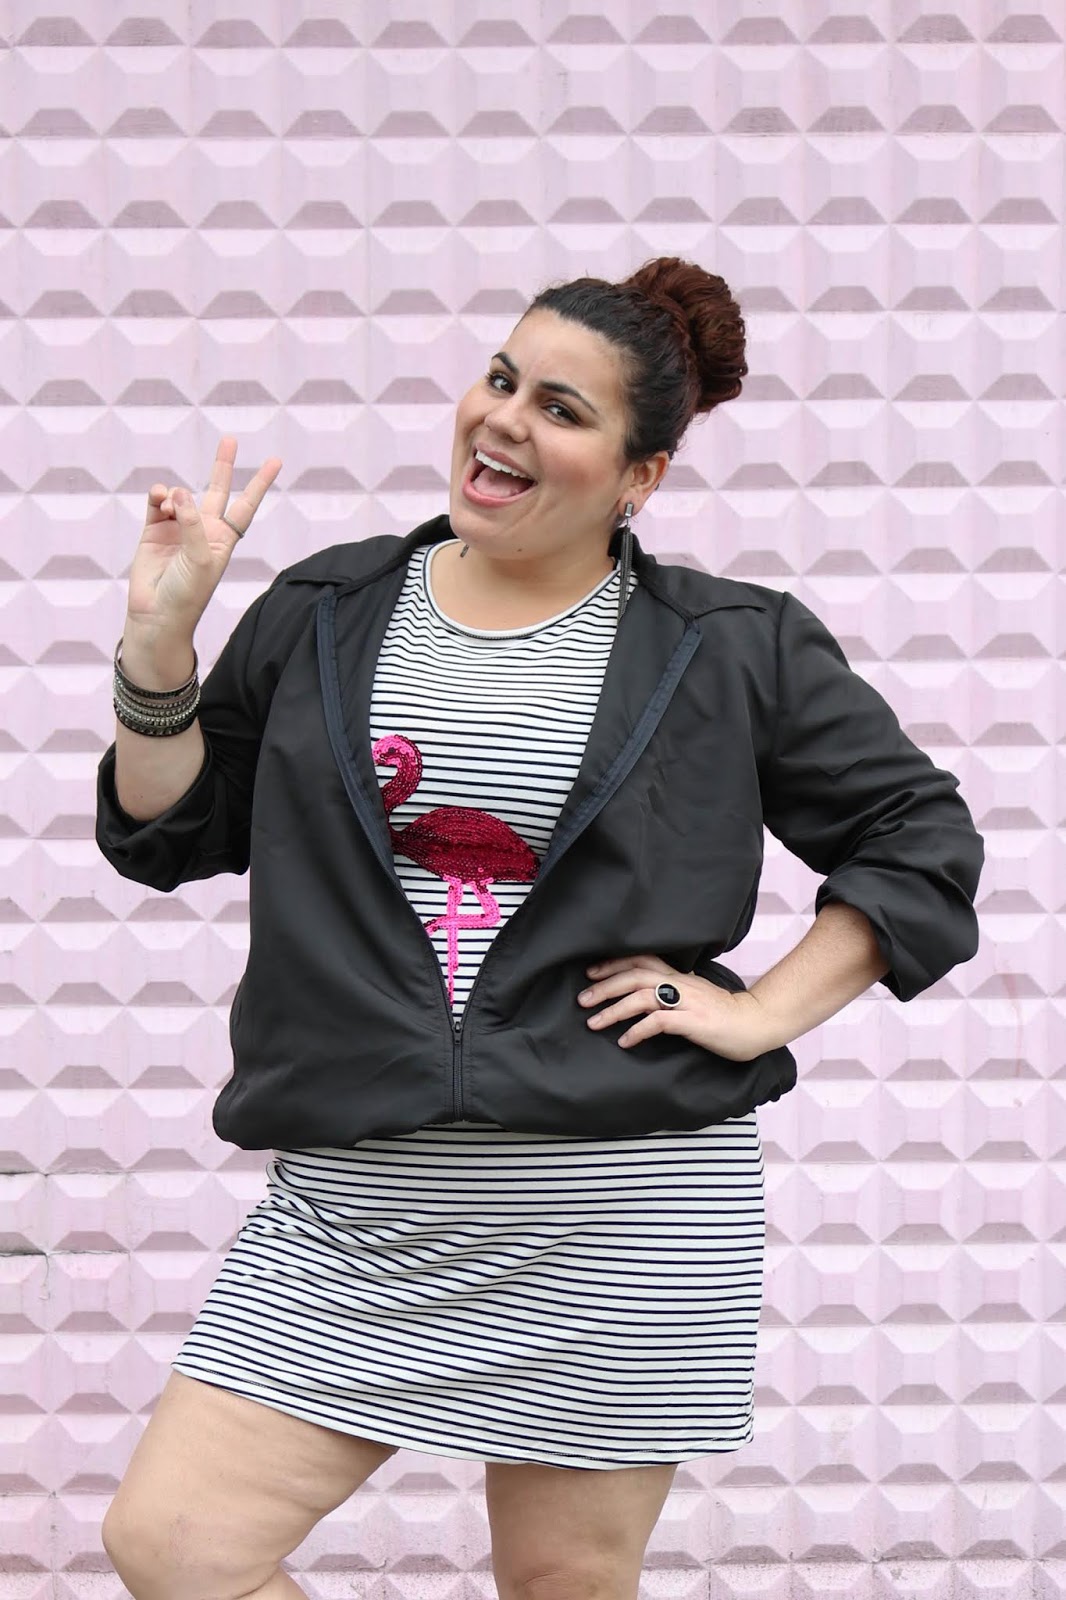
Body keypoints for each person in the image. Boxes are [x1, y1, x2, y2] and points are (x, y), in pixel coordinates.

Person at [94, 256, 984, 1600]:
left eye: (561, 409)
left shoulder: (729, 643)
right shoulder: (326, 612)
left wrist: (757, 1012)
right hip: (361, 1204)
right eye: (501, 379)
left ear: (639, 477)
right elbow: (172, 830)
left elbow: (918, 837)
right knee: (171, 1545)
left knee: (563, 1583)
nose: (502, 420)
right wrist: (160, 646)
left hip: (620, 1209)